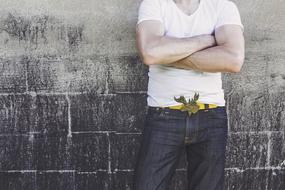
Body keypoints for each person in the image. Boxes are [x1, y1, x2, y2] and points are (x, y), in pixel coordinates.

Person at [133, 0, 245, 189]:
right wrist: (206, 40)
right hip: (163, 114)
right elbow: (151, 53)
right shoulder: (154, 4)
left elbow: (233, 60)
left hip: (211, 113)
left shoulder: (222, 6)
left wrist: (168, 54)